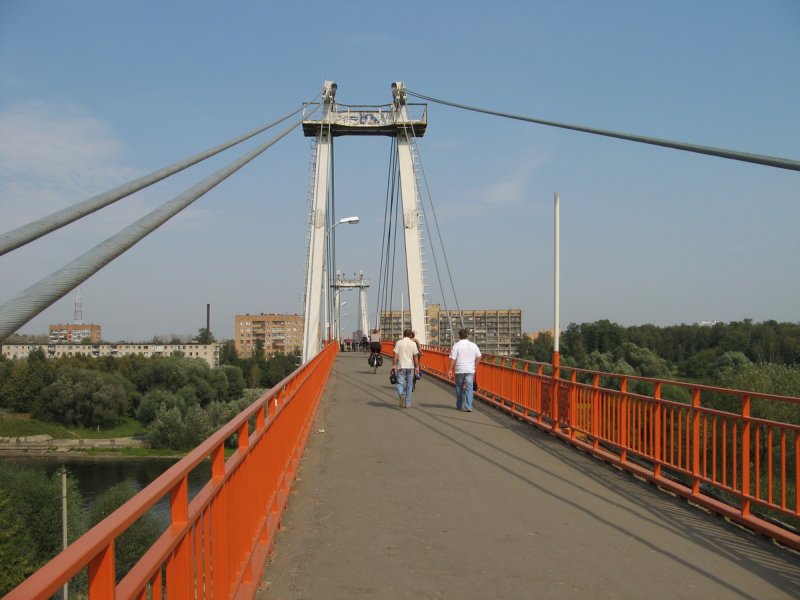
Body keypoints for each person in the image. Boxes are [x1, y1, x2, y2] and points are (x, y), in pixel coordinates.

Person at [447, 328, 482, 412]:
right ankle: (469, 406)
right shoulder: (473, 345)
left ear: (459, 336)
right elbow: (479, 356)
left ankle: (459, 405)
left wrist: (450, 370)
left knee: (459, 387)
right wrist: (475, 366)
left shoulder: (456, 345)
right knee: (469, 388)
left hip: (460, 369)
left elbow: (453, 358)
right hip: (470, 369)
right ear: (467, 336)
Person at [392, 329, 420, 408]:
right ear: (410, 335)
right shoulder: (413, 344)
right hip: (410, 367)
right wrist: (417, 367)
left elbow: (395, 355)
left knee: (400, 383)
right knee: (409, 385)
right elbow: (415, 357)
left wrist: (394, 365)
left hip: (401, 366)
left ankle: (401, 394)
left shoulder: (399, 343)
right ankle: (408, 404)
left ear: (403, 334)